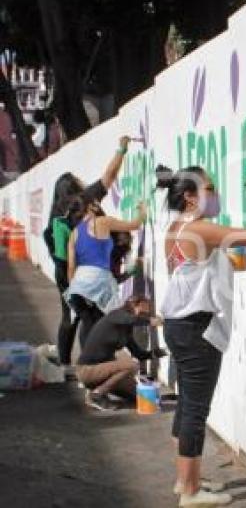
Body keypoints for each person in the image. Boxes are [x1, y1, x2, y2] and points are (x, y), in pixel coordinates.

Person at [157, 164, 246, 507]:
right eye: (209, 188)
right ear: (190, 196)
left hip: (180, 327)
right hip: (196, 330)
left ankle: (186, 480)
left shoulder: (175, 229)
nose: (216, 194)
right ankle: (190, 492)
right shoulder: (200, 229)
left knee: (186, 407)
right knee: (196, 410)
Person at [45, 135, 130, 369]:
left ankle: (65, 365)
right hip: (83, 271)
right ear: (73, 187)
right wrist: (121, 149)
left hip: (66, 274)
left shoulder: (56, 216)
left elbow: (60, 255)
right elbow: (109, 177)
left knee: (74, 317)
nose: (83, 182)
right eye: (78, 181)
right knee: (91, 317)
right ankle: (89, 365)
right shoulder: (84, 201)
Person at [65, 193, 146, 348]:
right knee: (112, 320)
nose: (100, 205)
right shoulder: (103, 222)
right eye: (97, 202)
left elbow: (71, 267)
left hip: (79, 282)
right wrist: (142, 210)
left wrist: (74, 289)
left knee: (88, 322)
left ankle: (87, 363)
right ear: (90, 206)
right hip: (99, 279)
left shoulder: (74, 233)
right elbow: (134, 225)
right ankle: (104, 359)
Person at [76, 296, 165, 411]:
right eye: (142, 310)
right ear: (133, 305)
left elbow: (139, 354)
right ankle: (97, 395)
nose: (144, 314)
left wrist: (158, 353)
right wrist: (151, 321)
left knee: (139, 396)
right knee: (132, 365)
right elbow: (131, 319)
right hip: (87, 370)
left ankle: (95, 391)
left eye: (147, 312)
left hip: (102, 372)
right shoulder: (116, 315)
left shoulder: (126, 330)